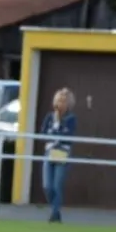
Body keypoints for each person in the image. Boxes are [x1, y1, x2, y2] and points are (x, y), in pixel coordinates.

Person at [41, 87, 77, 223]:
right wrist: (56, 131)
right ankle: (55, 209)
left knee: (57, 185)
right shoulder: (49, 117)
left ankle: (55, 214)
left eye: (64, 101)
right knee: (47, 186)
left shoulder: (71, 118)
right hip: (50, 151)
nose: (60, 104)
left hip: (62, 152)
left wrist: (58, 130)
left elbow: (68, 136)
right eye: (59, 100)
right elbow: (44, 132)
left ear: (69, 104)